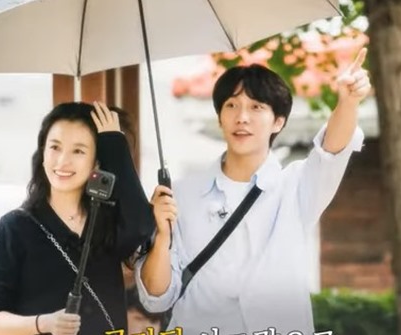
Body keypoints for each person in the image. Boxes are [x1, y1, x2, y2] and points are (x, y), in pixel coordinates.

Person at [137, 48, 371, 334]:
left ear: (278, 121)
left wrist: (347, 102)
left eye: (257, 107)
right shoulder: (181, 195)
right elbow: (157, 298)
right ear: (220, 117)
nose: (242, 117)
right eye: (232, 106)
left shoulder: (297, 186)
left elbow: (332, 152)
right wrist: (161, 236)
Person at [0, 102, 155, 335]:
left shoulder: (106, 222)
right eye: (55, 147)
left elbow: (141, 226)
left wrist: (115, 145)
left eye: (78, 151)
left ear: (97, 163)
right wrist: (44, 323)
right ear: (42, 153)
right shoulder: (15, 228)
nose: (62, 162)